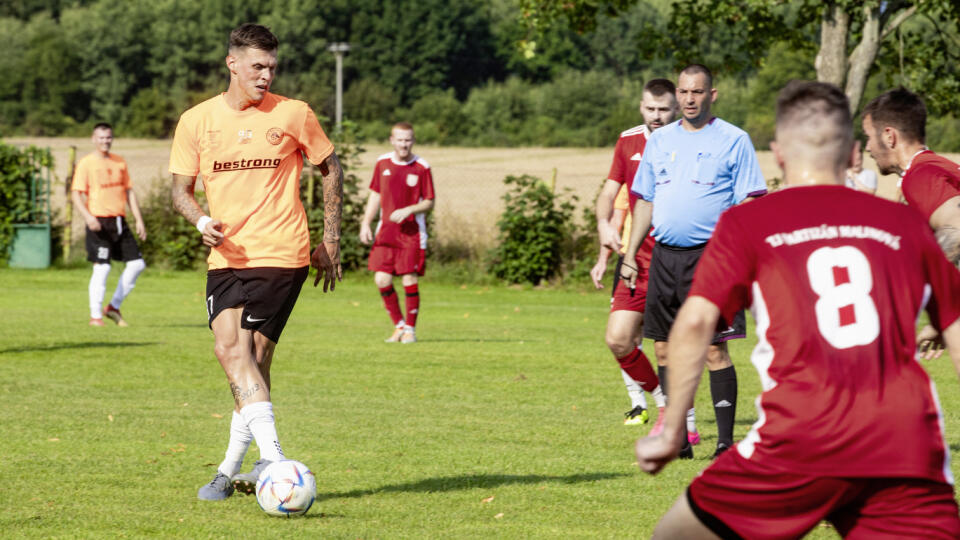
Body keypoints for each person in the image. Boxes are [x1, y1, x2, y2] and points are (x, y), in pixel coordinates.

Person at [635, 80, 960, 540]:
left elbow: (695, 321)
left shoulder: (748, 223)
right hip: (903, 440)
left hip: (805, 434)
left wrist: (671, 433)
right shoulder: (905, 224)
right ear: (852, 154)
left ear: (779, 154)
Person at [168, 23, 343, 501]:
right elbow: (179, 192)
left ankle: (268, 461)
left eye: (271, 68)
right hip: (224, 255)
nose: (266, 76)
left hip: (282, 252)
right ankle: (241, 466)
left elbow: (331, 167)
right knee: (242, 361)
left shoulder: (293, 114)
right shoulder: (196, 121)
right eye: (257, 67)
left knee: (241, 355)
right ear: (233, 64)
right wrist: (201, 220)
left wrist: (329, 238)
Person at [621, 64, 767, 458]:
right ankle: (679, 439)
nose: (688, 99)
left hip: (713, 261)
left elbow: (752, 198)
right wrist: (631, 254)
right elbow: (645, 200)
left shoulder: (734, 140)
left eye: (697, 92)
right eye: (683, 92)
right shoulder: (660, 140)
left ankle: (723, 443)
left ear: (712, 95)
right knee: (665, 349)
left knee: (713, 350)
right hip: (665, 259)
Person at [591, 78, 676, 427]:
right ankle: (657, 403)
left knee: (671, 347)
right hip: (635, 257)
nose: (656, 116)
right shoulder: (627, 141)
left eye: (663, 109)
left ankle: (681, 420)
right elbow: (611, 195)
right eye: (650, 109)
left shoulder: (690, 141)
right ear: (641, 106)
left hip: (677, 254)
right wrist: (602, 226)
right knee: (620, 338)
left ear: (676, 108)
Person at [862, 88, 960, 267]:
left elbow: (958, 227)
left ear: (889, 137)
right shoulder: (934, 166)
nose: (868, 148)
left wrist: (917, 276)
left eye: (868, 137)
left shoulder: (920, 176)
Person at [359, 122, 435, 344]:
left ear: (413, 140)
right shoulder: (382, 163)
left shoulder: (422, 167)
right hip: (386, 233)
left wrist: (409, 209)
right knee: (381, 279)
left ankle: (410, 329)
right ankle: (399, 325)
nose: (404, 144)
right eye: (400, 140)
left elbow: (429, 202)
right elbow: (375, 195)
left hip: (411, 234)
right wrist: (365, 223)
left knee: (409, 278)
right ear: (392, 140)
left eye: (408, 140)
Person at [70, 122, 147, 327]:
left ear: (112, 138)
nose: (105, 141)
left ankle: (112, 307)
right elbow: (76, 193)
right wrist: (88, 217)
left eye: (108, 137)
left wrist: (138, 219)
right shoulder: (86, 163)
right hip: (98, 222)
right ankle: (95, 316)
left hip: (119, 221)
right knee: (102, 268)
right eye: (101, 138)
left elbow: (129, 192)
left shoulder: (119, 162)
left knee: (137, 264)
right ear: (94, 139)